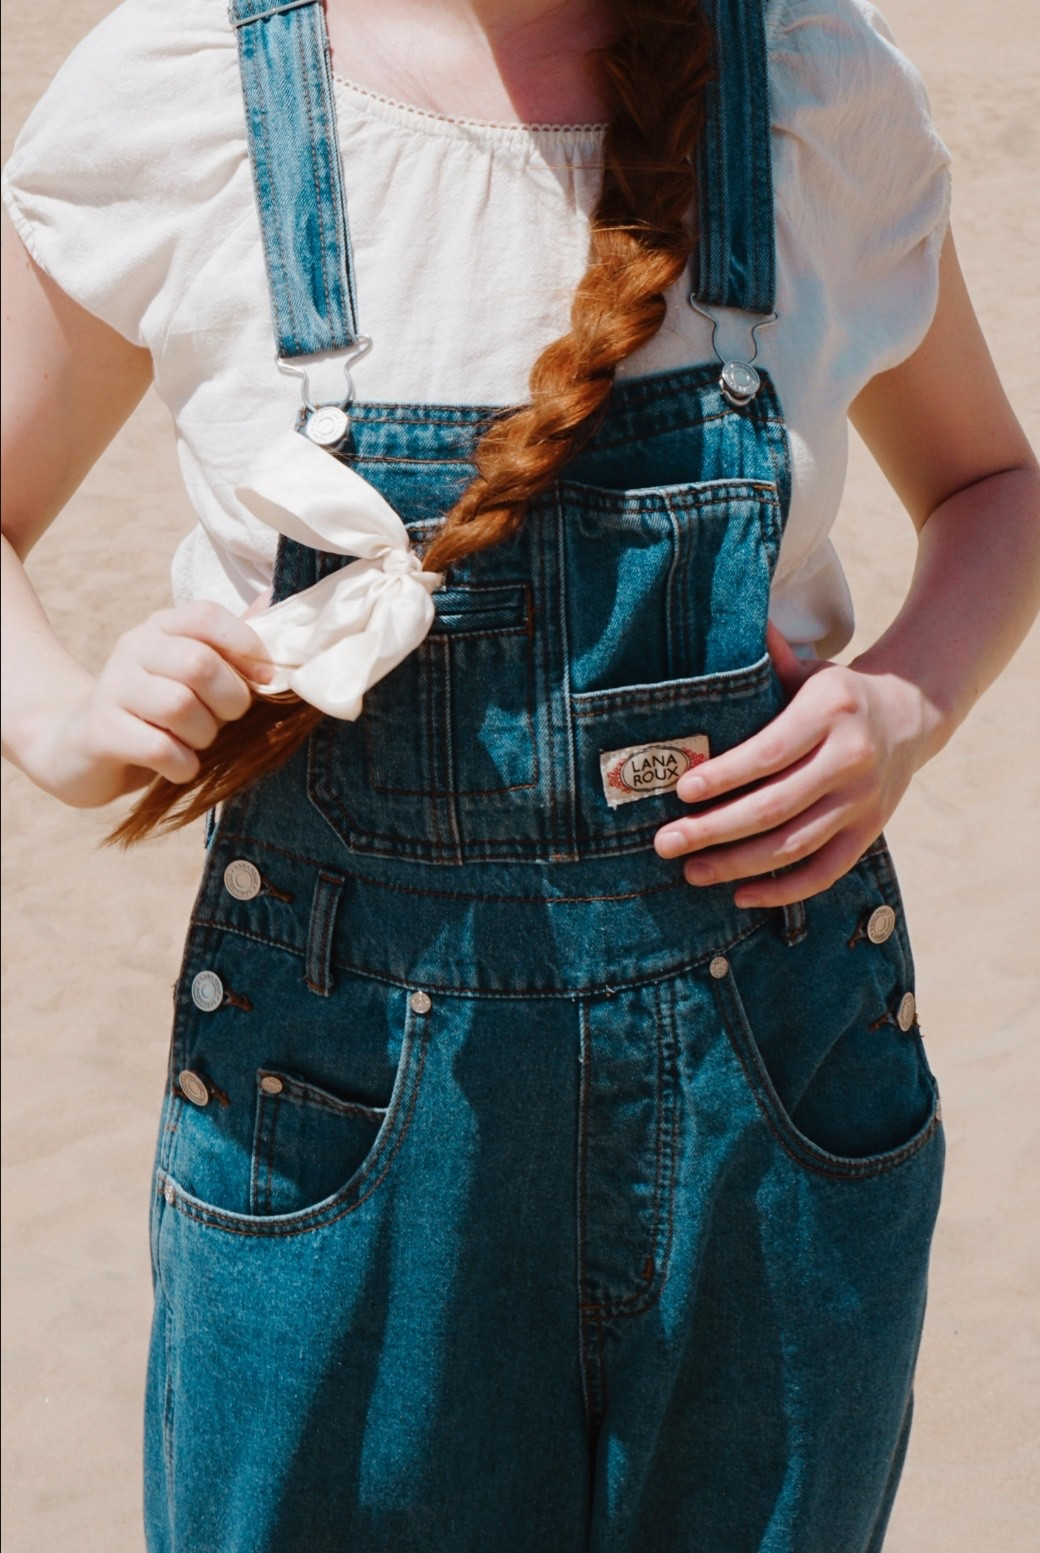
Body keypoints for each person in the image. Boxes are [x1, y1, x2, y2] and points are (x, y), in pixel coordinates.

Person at [1, 0, 1037, 1547]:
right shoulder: (194, 89)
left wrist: (905, 700)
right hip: (334, 1120)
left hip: (775, 1088)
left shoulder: (811, 81)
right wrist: (61, 721)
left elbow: (993, 482)